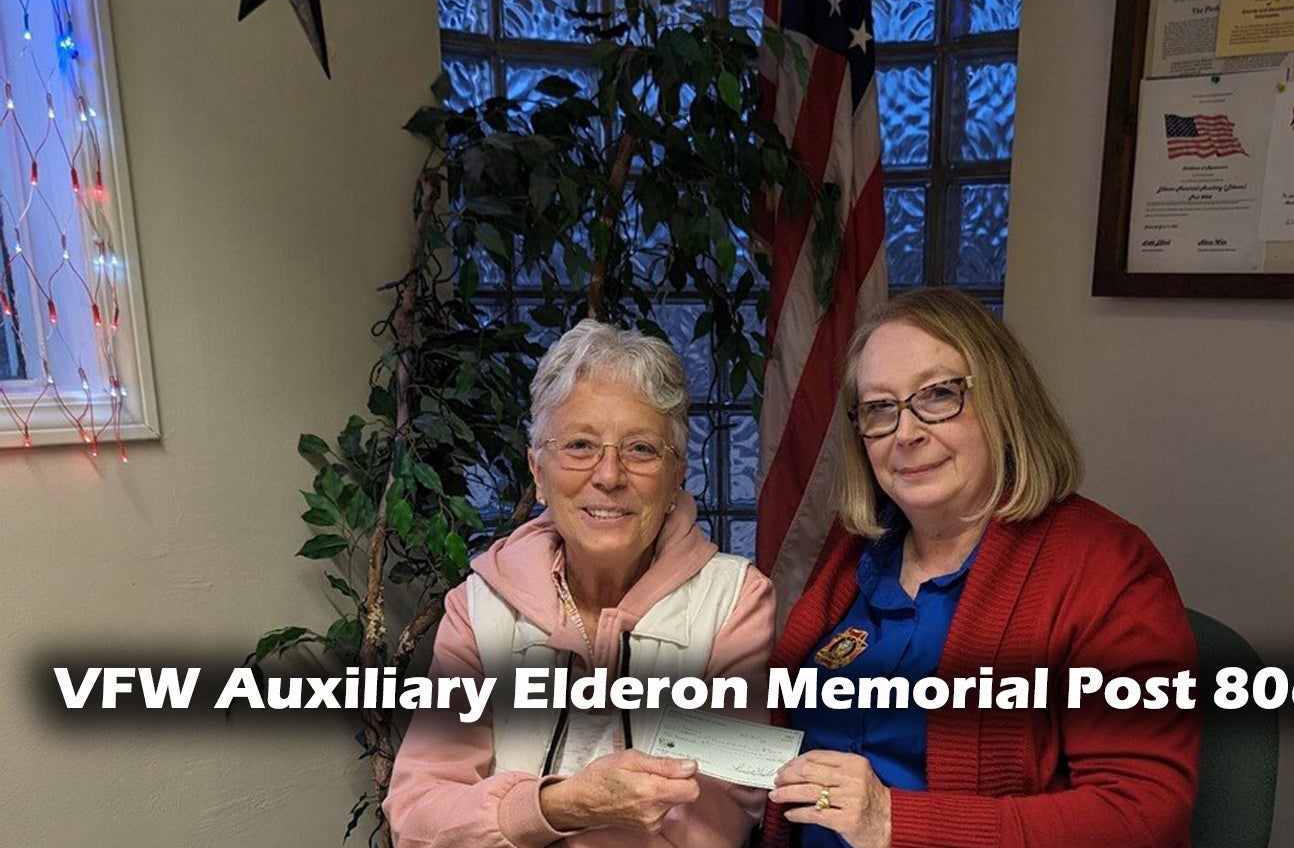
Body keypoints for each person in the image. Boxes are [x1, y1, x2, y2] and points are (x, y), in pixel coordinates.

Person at [760, 288, 1198, 848]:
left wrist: (894, 822)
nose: (907, 432)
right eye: (879, 409)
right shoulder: (857, 553)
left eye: (939, 395)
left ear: (1003, 400)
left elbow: (1141, 815)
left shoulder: (1107, 566)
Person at [386, 319, 774, 847]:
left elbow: (719, 813)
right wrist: (561, 806)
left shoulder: (735, 601)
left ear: (676, 472)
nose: (609, 475)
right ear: (538, 473)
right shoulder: (478, 606)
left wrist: (505, 823)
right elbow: (419, 812)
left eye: (640, 449)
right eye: (579, 445)